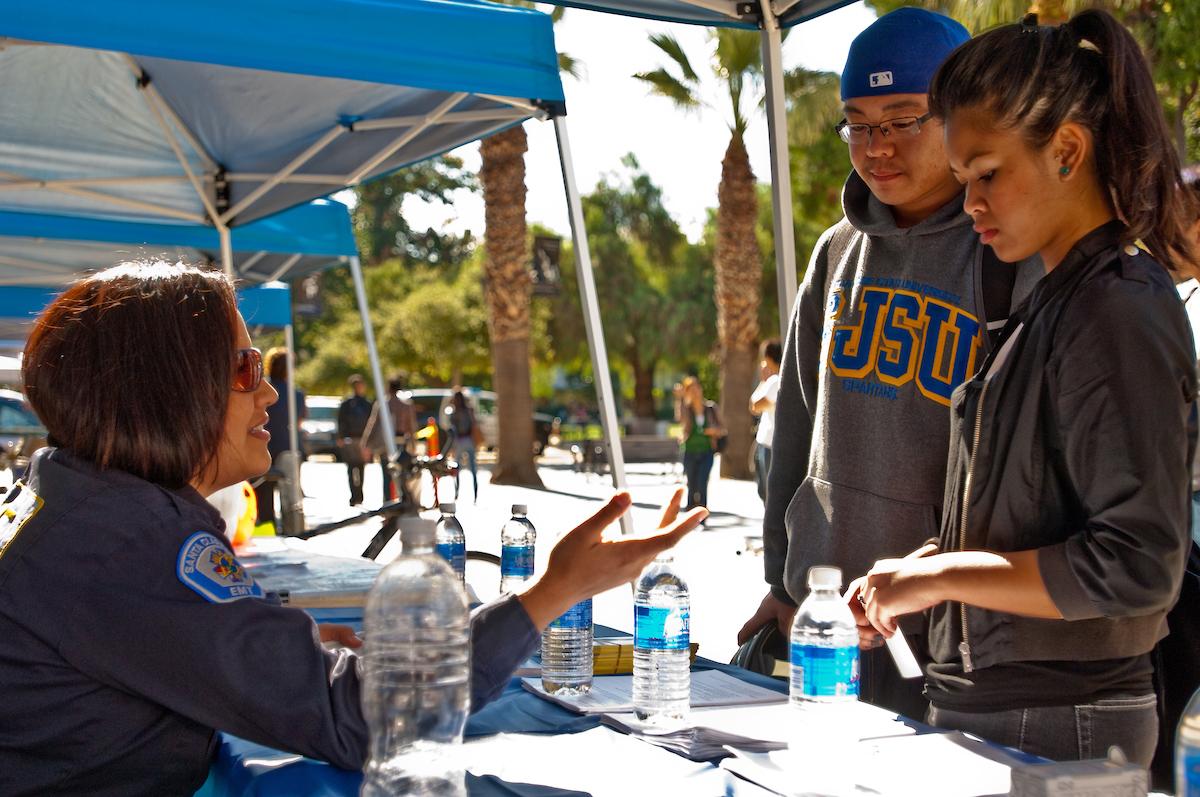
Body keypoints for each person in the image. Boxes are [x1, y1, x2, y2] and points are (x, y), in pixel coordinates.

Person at [0, 262, 706, 796]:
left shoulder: (79, 502)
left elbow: (149, 630)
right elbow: (365, 720)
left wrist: (275, 633)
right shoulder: (128, 541)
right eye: (246, 368)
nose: (270, 389)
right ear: (169, 388)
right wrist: (554, 591)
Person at [851, 10, 1196, 767]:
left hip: (1064, 721)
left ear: (1068, 149)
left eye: (987, 174)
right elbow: (1030, 520)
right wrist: (918, 575)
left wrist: (939, 574)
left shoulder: (1116, 306)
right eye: (964, 177)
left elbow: (1136, 561)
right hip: (1015, 712)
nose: (969, 201)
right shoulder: (1054, 298)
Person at [738, 7, 1041, 720]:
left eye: (904, 119)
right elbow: (797, 425)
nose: (878, 146)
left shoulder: (1010, 253)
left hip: (954, 639)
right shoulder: (835, 252)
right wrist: (783, 584)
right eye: (859, 122)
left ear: (961, 118)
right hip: (826, 622)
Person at [253, 347, 306, 531]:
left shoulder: (260, 390)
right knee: (291, 497)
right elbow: (298, 423)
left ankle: (267, 530)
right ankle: (294, 532)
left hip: (262, 446)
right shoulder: (297, 394)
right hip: (288, 447)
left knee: (263, 496)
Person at [362, 374, 417, 503]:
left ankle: (388, 503)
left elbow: (373, 424)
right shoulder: (406, 405)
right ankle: (402, 500)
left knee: (387, 475)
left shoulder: (383, 404)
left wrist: (366, 443)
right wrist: (413, 445)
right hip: (400, 443)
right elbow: (411, 427)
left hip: (385, 445)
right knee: (400, 474)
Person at [676, 375, 724, 512]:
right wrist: (681, 399)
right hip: (690, 451)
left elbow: (722, 429)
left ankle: (702, 515)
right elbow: (681, 421)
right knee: (691, 484)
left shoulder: (710, 408)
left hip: (706, 451)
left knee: (702, 483)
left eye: (697, 387)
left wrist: (713, 431)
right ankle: (689, 515)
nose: (695, 391)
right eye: (691, 389)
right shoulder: (686, 409)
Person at [749, 339, 781, 503]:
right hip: (767, 442)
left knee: (767, 491)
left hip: (769, 444)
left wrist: (763, 380)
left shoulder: (775, 381)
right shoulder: (778, 380)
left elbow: (755, 405)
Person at [336, 374, 372, 506]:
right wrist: (340, 436)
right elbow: (341, 421)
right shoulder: (347, 404)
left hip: (362, 440)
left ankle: (360, 495)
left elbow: (371, 422)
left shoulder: (367, 404)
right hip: (350, 439)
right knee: (351, 468)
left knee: (361, 468)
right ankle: (353, 495)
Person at [444, 388, 481, 503]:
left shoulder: (454, 412)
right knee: (473, 469)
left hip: (459, 441)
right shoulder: (469, 411)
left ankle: (457, 493)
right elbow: (474, 424)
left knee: (457, 468)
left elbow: (451, 429)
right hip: (469, 440)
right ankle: (475, 495)